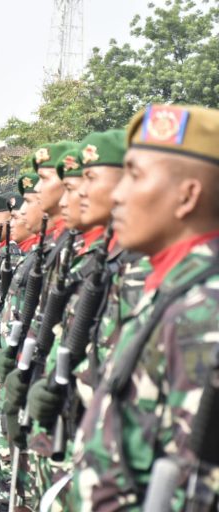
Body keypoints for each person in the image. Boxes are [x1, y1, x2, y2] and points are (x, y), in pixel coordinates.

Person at [67, 104, 219, 510]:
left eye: (134, 176)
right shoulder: (175, 291)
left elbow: (195, 488)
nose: (118, 194)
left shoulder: (203, 312)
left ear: (187, 196)